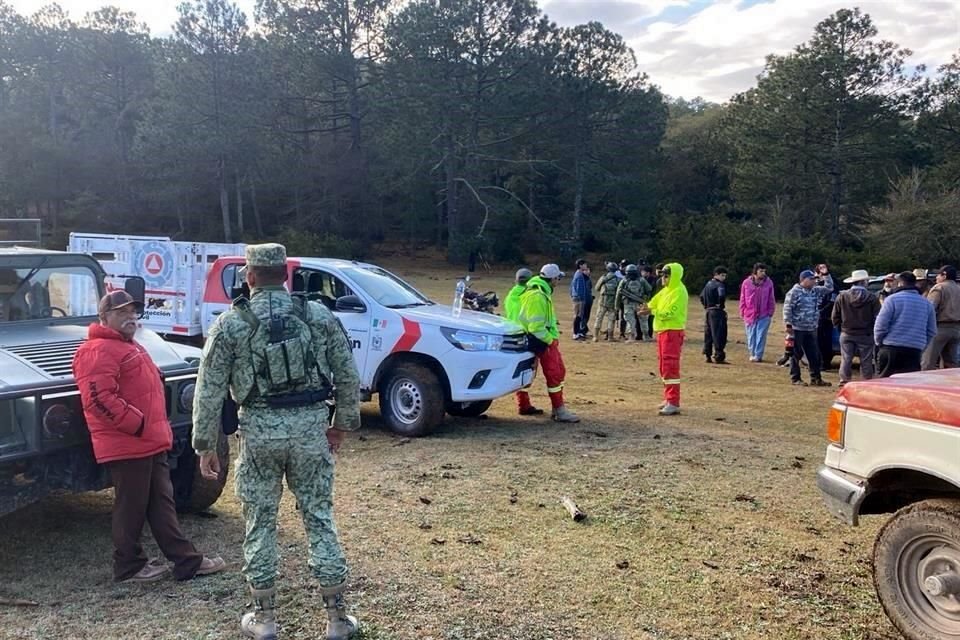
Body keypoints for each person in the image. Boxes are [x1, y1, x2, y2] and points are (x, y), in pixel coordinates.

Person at [190, 243, 363, 640]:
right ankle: (337, 619)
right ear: (286, 275)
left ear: (249, 277)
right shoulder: (317, 315)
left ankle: (265, 619)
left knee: (260, 524)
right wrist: (341, 424)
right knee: (319, 518)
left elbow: (209, 389)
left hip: (259, 432)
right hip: (310, 430)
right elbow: (347, 374)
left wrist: (204, 445)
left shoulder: (230, 324)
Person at [71, 290, 226, 584]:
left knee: (160, 504)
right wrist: (139, 425)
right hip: (129, 443)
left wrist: (152, 429)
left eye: (133, 312)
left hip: (148, 441)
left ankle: (186, 562)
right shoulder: (97, 350)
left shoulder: (128, 345)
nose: (131, 317)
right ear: (104, 318)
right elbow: (98, 399)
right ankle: (128, 567)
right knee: (132, 506)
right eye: (122, 312)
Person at [517, 264, 580, 423]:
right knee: (555, 374)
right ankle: (559, 410)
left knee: (558, 372)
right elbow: (536, 327)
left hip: (540, 339)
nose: (558, 281)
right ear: (552, 279)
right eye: (558, 278)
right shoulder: (537, 296)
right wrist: (551, 341)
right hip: (541, 341)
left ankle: (557, 408)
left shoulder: (540, 291)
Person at [642, 262, 688, 416]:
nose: (663, 278)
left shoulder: (679, 292)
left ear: (673, 276)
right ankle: (668, 398)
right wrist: (646, 307)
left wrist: (652, 311)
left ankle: (673, 402)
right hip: (663, 332)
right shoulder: (666, 291)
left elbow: (671, 313)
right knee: (663, 365)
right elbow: (654, 302)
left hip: (672, 332)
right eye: (662, 275)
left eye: (666, 275)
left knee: (670, 366)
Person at [874, 271, 937, 377]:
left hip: (890, 347)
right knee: (908, 386)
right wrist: (921, 346)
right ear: (914, 284)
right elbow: (931, 331)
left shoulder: (891, 300)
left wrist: (879, 342)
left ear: (900, 283)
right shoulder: (927, 304)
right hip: (913, 350)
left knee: (885, 385)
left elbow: (880, 325)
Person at [783, 268, 834, 387]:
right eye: (811, 279)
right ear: (804, 280)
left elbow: (829, 288)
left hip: (811, 328)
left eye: (815, 279)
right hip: (797, 328)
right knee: (796, 354)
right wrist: (788, 324)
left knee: (814, 355)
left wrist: (826, 274)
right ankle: (796, 378)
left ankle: (816, 378)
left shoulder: (815, 290)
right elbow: (787, 308)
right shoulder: (794, 292)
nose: (814, 282)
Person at [506, 268, 544, 416]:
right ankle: (524, 404)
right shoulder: (530, 296)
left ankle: (523, 403)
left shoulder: (510, 296)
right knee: (529, 370)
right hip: (527, 336)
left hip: (511, 336)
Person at [832, 269, 881, 386]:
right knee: (866, 360)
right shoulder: (872, 298)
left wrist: (840, 329)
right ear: (864, 282)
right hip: (866, 334)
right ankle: (866, 381)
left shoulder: (842, 296)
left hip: (847, 332)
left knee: (846, 358)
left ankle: (844, 380)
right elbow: (878, 316)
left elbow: (835, 316)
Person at [921, 265, 960, 370]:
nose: (936, 277)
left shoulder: (939, 288)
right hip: (956, 329)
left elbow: (929, 309)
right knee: (952, 365)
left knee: (927, 362)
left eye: (938, 274)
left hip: (939, 328)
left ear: (944, 275)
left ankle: (925, 385)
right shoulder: (958, 288)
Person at [739, 263, 776, 362]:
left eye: (764, 271)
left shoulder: (769, 283)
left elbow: (771, 298)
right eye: (761, 271)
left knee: (761, 335)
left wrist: (770, 312)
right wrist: (742, 311)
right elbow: (743, 298)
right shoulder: (746, 283)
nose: (763, 273)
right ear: (755, 272)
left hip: (764, 314)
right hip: (749, 314)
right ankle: (752, 353)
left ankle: (758, 355)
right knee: (751, 335)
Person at [615, 264, 652, 342]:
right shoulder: (642, 280)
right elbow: (649, 290)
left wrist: (617, 306)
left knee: (630, 321)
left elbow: (618, 294)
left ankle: (631, 337)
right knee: (643, 320)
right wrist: (646, 300)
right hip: (640, 304)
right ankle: (646, 336)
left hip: (628, 304)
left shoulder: (624, 280)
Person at [700, 266, 729, 364]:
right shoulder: (719, 285)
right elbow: (721, 296)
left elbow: (701, 296)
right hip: (717, 311)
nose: (724, 278)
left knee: (708, 334)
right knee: (719, 334)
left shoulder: (708, 284)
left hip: (708, 311)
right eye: (722, 275)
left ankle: (707, 355)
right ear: (717, 274)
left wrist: (706, 306)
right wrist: (721, 305)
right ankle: (719, 356)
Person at [815, 264, 838, 369]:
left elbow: (832, 302)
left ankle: (824, 363)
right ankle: (820, 362)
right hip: (817, 318)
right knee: (818, 341)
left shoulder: (832, 286)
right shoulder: (815, 286)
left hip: (827, 318)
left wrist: (821, 312)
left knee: (825, 341)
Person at [593, 262, 620, 342]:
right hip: (612, 302)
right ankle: (610, 337)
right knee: (611, 320)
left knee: (599, 318)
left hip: (603, 301)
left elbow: (597, 288)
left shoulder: (603, 278)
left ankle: (595, 336)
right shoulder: (618, 279)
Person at [569, 259, 593, 341]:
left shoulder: (580, 274)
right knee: (578, 316)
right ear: (580, 265)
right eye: (584, 264)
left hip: (578, 298)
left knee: (580, 316)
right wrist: (581, 298)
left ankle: (579, 332)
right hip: (579, 299)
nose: (586, 266)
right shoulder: (579, 275)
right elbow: (579, 288)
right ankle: (575, 333)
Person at [640, 265, 657, 340]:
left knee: (650, 319)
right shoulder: (641, 279)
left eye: (643, 272)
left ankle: (649, 334)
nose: (642, 273)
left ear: (648, 273)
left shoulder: (653, 280)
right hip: (642, 300)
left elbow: (651, 289)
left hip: (651, 301)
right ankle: (640, 335)